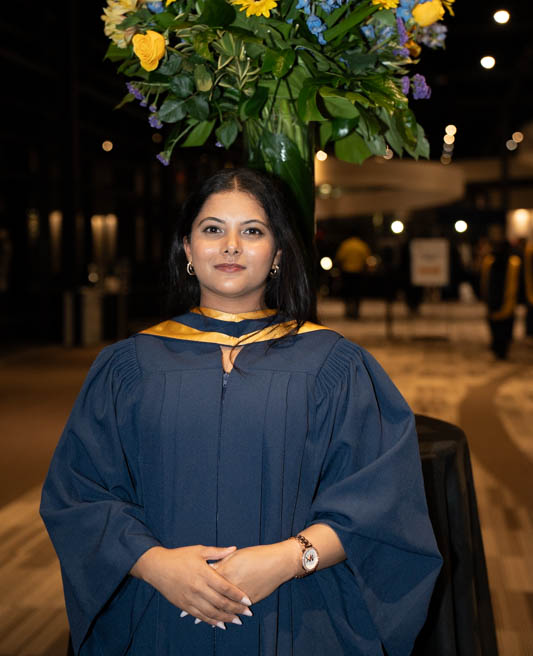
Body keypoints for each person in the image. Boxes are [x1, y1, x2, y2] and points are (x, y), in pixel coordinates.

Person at [41, 168, 442, 656]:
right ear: (187, 249)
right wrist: (153, 564)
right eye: (212, 229)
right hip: (158, 614)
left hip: (298, 615)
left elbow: (384, 500)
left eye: (252, 231)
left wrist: (289, 559)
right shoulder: (130, 366)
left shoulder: (335, 365)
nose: (231, 246)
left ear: (277, 254)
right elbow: (77, 493)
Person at [334, 235, 371, 318]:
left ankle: (348, 310)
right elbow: (367, 259)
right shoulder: (362, 245)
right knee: (357, 293)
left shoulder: (345, 245)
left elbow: (339, 258)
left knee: (347, 292)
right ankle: (356, 311)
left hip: (347, 272)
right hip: (358, 272)